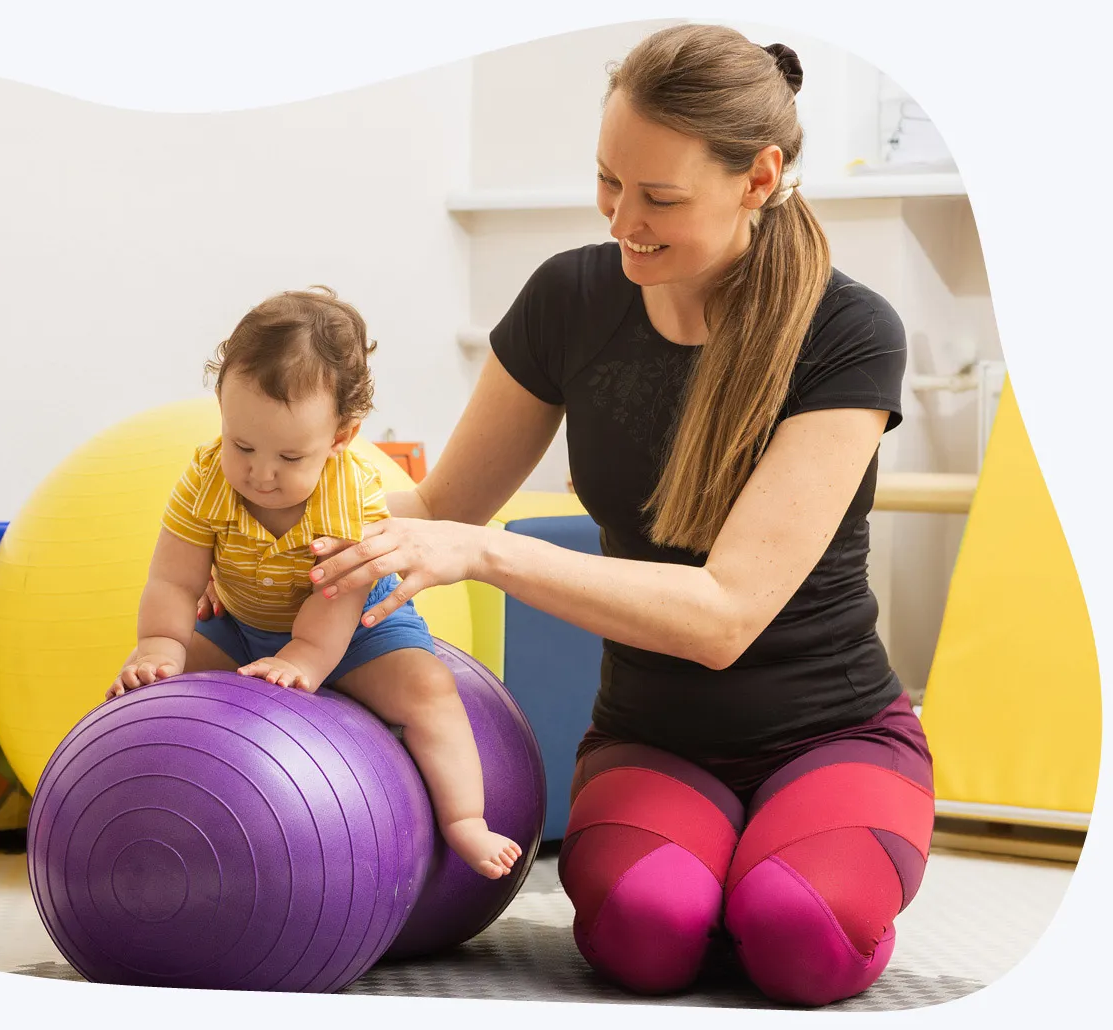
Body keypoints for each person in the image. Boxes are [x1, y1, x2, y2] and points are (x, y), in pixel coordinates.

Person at [279, 24, 936, 1008]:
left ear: (758, 179)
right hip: (653, 736)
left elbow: (723, 614)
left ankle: (770, 884)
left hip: (832, 734)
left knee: (797, 931)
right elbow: (437, 507)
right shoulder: (570, 300)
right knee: (647, 934)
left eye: (659, 197)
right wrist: (269, 544)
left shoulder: (846, 331)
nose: (621, 217)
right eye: (607, 181)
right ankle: (722, 884)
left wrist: (485, 556)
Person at [109, 286, 524, 880]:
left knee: (428, 691)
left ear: (340, 437)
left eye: (289, 456)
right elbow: (174, 580)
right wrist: (160, 645)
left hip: (352, 625)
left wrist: (304, 657)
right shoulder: (205, 479)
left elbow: (339, 591)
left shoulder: (349, 493)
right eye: (242, 444)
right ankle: (143, 820)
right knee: (152, 689)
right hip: (241, 624)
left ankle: (465, 820)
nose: (260, 473)